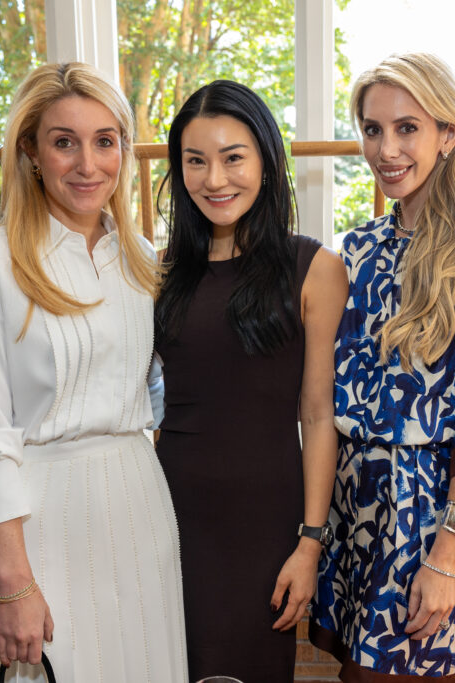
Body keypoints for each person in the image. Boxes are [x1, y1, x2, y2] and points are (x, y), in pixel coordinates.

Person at [309, 52, 455, 680]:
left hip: (424, 515)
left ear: (448, 135)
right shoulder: (357, 251)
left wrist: (448, 550)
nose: (386, 148)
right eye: (372, 129)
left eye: (407, 128)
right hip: (351, 507)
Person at [0, 62, 186, 682]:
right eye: (64, 142)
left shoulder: (141, 261)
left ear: (124, 151)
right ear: (30, 151)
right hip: (42, 516)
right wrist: (12, 582)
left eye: (104, 141)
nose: (88, 164)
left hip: (139, 500)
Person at [154, 80, 347, 682]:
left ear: (265, 159)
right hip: (168, 510)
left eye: (233, 157)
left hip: (265, 523)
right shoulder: (160, 272)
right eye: (196, 160)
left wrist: (309, 543)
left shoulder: (314, 268)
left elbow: (318, 416)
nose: (215, 179)